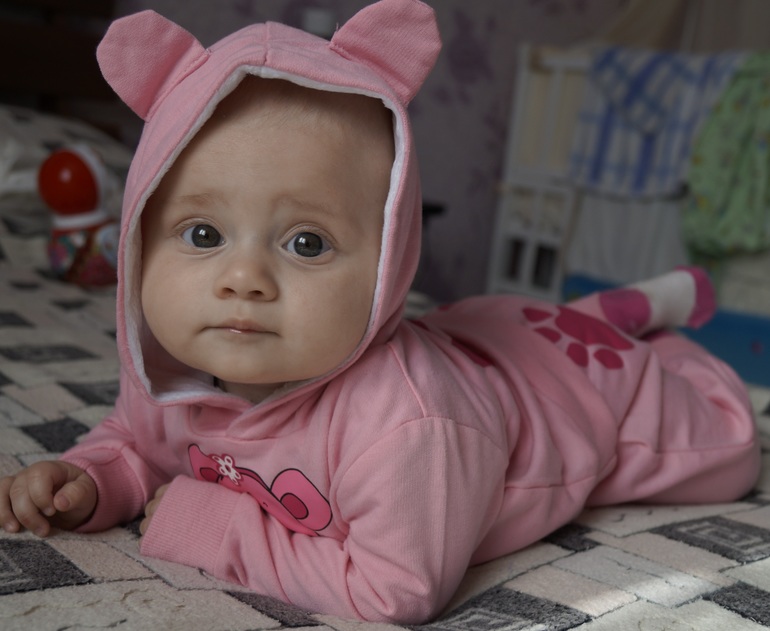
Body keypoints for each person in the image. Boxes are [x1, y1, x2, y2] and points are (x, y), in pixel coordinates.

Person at [0, 0, 761, 623]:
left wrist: (207, 524)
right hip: (496, 340)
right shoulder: (170, 369)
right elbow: (137, 444)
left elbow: (394, 589)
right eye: (202, 234)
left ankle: (656, 334)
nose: (243, 279)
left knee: (723, 445)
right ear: (139, 239)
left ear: (390, 259)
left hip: (579, 393)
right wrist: (89, 480)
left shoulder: (408, 425)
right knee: (528, 327)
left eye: (306, 242)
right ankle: (625, 308)